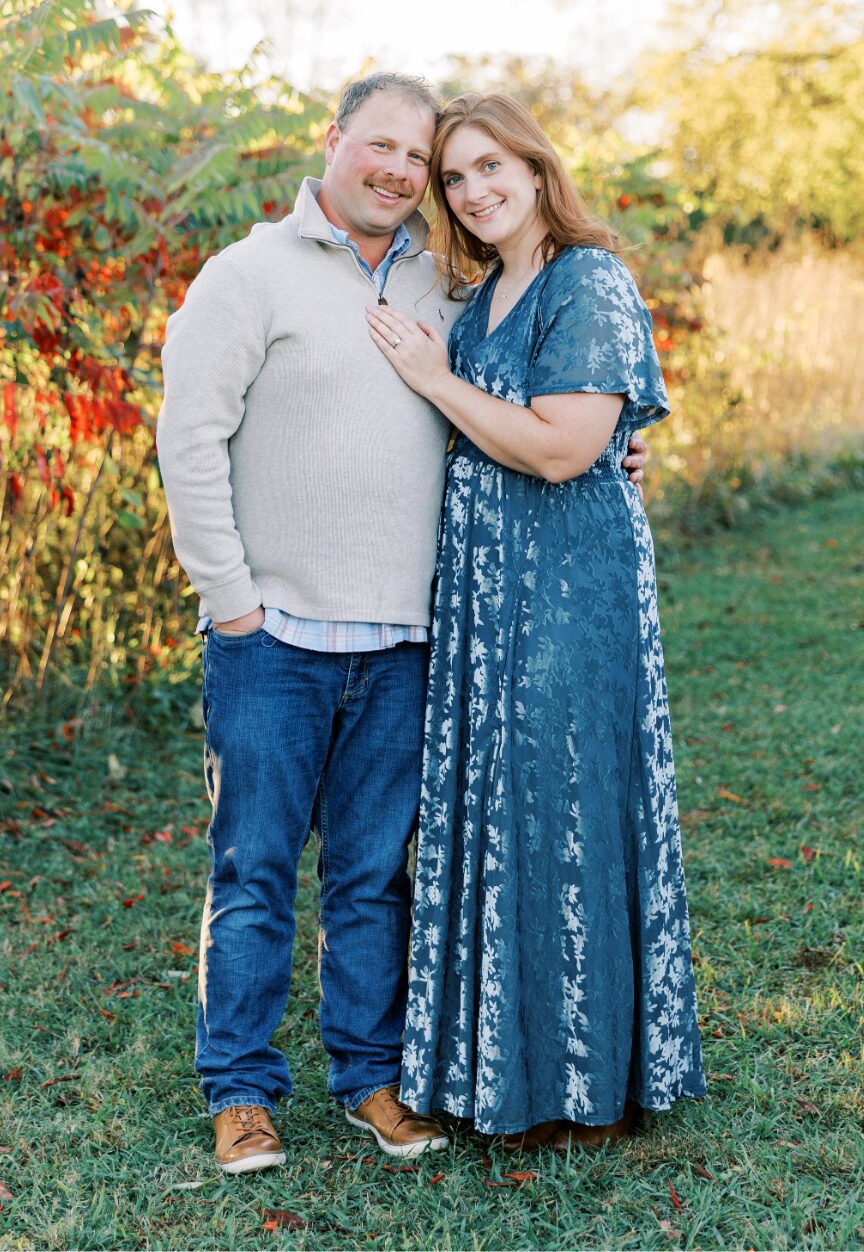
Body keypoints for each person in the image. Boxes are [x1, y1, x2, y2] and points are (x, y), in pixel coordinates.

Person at [156, 72, 648, 1174]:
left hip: (406, 639)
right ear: (333, 139)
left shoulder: (446, 284)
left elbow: (526, 403)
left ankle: (369, 1078)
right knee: (253, 872)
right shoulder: (247, 274)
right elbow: (187, 443)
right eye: (382, 146)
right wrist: (231, 601)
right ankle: (240, 1091)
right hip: (274, 635)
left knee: (375, 875)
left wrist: (610, 449)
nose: (401, 171)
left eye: (420, 159)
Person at [365, 92, 705, 1148]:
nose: (472, 191)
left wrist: (434, 380)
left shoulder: (585, 278)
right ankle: (498, 1067)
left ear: (534, 165)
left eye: (489, 166)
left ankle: (579, 1083)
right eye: (453, 178)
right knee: (499, 806)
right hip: (484, 592)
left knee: (563, 803)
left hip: (566, 584)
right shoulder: (479, 299)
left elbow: (561, 449)